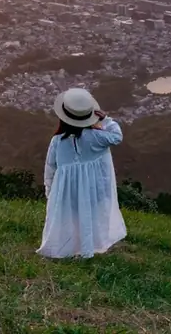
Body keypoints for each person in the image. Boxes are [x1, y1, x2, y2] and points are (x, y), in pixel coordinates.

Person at [36, 87, 126, 259]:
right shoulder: (97, 137)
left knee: (70, 219)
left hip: (65, 190)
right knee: (89, 216)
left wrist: (50, 191)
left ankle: (69, 247)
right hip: (91, 188)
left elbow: (50, 167)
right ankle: (87, 247)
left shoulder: (57, 141)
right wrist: (106, 120)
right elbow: (117, 136)